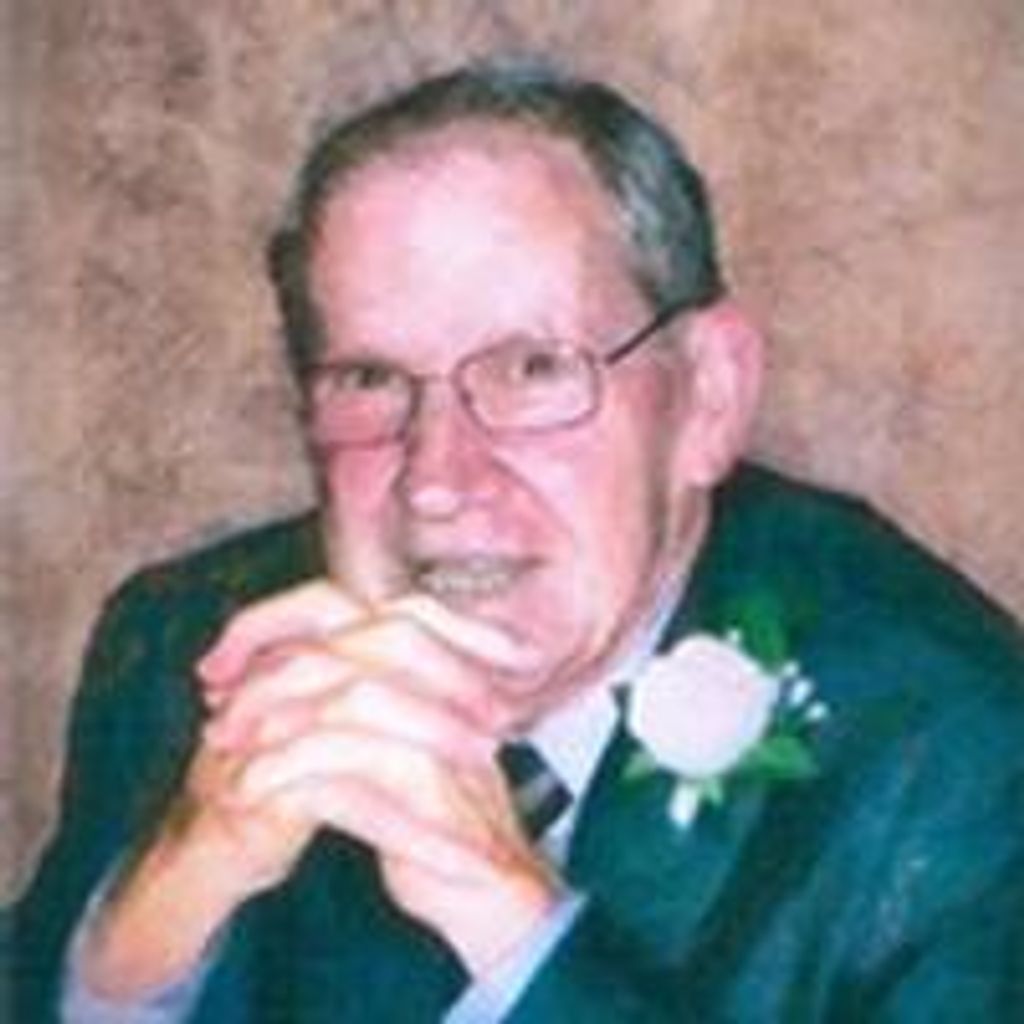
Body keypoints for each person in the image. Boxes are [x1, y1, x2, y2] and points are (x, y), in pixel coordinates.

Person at [10, 59, 1024, 1023]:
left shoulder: (961, 756)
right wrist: (144, 933)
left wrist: (513, 924)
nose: (438, 480)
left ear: (707, 397)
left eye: (533, 369)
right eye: (370, 379)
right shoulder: (186, 645)